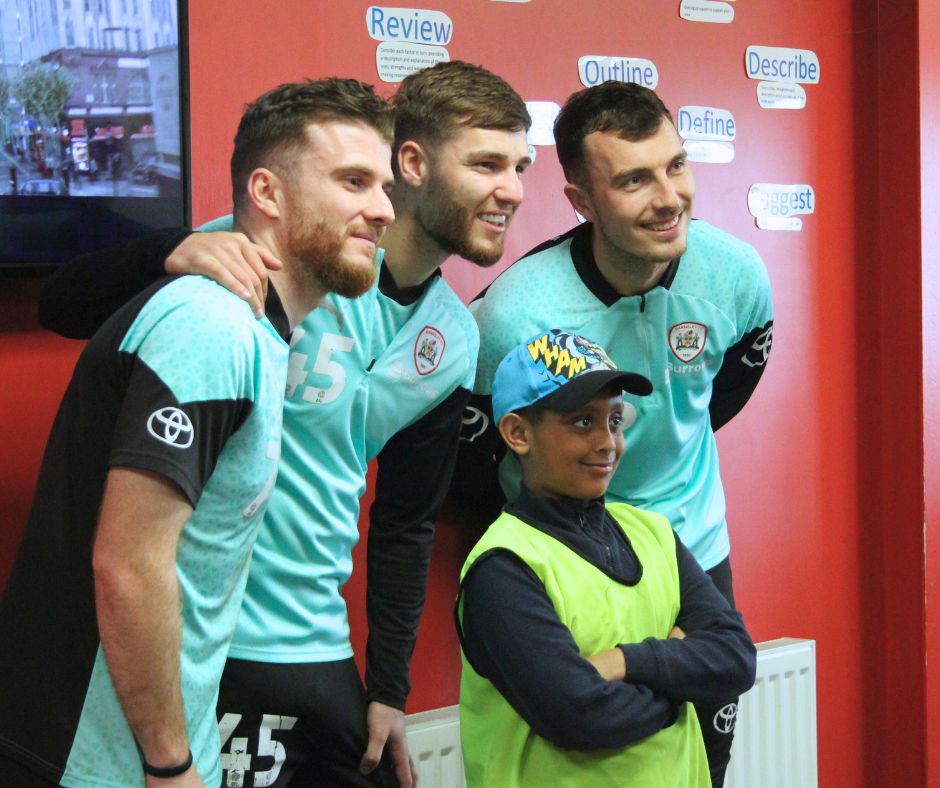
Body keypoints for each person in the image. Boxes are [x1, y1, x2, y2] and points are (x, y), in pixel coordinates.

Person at [37, 61, 531, 787]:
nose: (514, 189)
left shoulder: (452, 340)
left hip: (314, 638)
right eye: (488, 163)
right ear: (415, 164)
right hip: (204, 633)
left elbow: (406, 521)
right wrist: (165, 250)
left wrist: (390, 688)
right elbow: (62, 307)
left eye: (521, 166)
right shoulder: (272, 255)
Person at [0, 77, 394, 787]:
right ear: (268, 193)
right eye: (354, 181)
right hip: (96, 762)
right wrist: (171, 764)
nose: (383, 209)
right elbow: (128, 565)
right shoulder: (212, 327)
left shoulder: (256, 331)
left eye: (385, 185)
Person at [455, 81, 773, 786]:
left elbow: (721, 397)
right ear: (582, 201)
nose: (669, 198)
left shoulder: (737, 276)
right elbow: (469, 461)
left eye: (676, 166)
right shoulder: (512, 317)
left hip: (687, 544)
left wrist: (646, 669)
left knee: (701, 765)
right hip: (564, 563)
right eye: (634, 179)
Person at [456, 329, 757, 788]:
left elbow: (736, 658)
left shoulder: (653, 533)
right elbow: (580, 715)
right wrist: (681, 683)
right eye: (582, 422)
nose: (608, 443)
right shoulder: (503, 566)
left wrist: (623, 662)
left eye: (615, 421)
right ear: (518, 433)